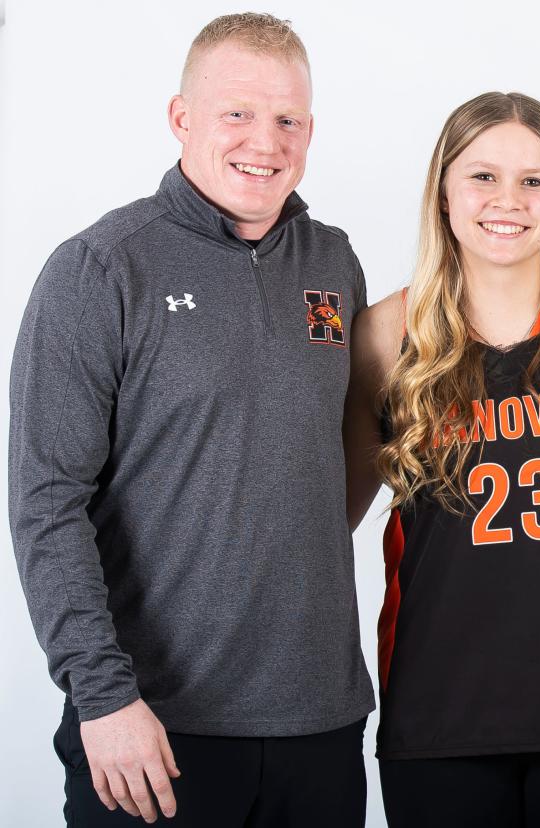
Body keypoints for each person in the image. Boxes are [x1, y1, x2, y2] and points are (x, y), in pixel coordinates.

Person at [9, 13, 373, 827]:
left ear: (310, 130)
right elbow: (45, 502)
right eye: (237, 113)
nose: (265, 141)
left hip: (321, 721)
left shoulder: (333, 261)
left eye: (288, 120)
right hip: (153, 727)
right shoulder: (101, 268)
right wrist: (102, 697)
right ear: (182, 119)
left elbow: (329, 462)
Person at [343, 91, 540, 827]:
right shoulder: (387, 333)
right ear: (444, 193)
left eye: (534, 180)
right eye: (482, 176)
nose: (507, 200)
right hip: (441, 711)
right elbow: (330, 517)